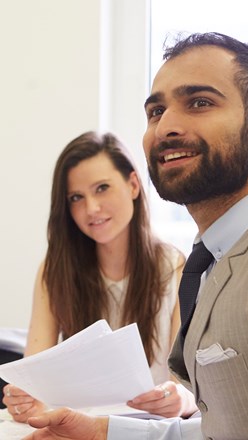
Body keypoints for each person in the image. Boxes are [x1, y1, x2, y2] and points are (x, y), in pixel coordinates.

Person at [22, 31, 248, 440]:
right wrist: (101, 432)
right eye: (155, 111)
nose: (166, 126)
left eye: (200, 102)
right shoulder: (213, 265)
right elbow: (223, 429)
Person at [3, 131, 198, 423]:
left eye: (102, 188)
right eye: (76, 197)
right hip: (80, 427)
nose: (91, 208)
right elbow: (34, 377)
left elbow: (185, 387)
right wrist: (24, 398)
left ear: (133, 185)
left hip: (148, 428)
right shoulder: (55, 270)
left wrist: (178, 400)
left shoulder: (176, 269)